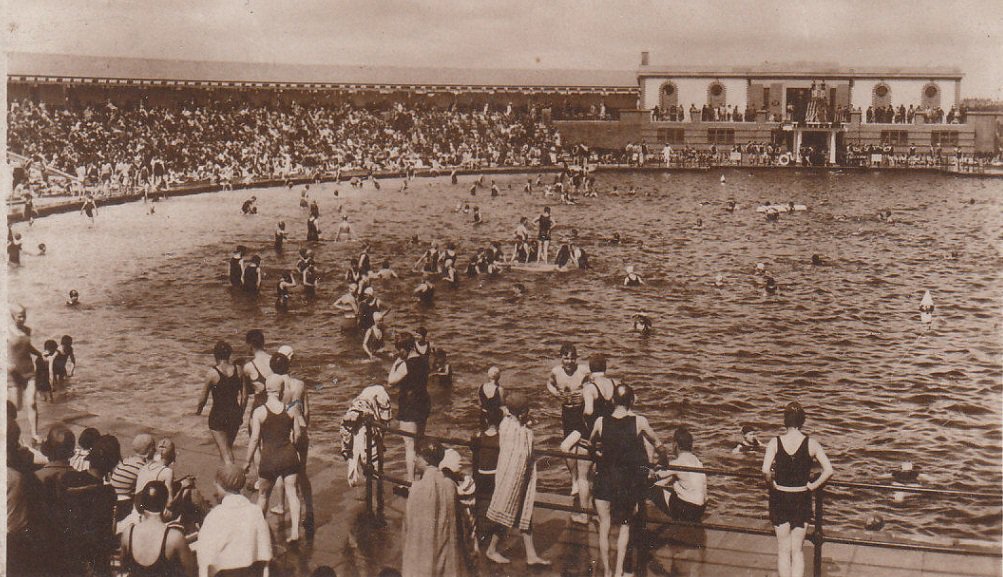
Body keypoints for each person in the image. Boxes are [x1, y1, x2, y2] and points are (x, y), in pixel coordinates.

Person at [590, 384, 661, 577]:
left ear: (613, 401)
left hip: (604, 479)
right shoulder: (639, 421)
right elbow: (657, 442)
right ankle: (620, 571)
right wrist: (658, 462)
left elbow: (592, 443)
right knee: (625, 526)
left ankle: (606, 571)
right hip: (625, 484)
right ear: (632, 401)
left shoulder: (600, 421)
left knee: (604, 526)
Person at [762, 402, 834, 577]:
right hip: (802, 497)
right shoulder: (811, 443)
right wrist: (813, 486)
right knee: (798, 551)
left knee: (783, 551)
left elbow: (765, 470)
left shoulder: (775, 442)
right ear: (802, 421)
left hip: (780, 497)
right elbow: (829, 470)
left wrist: (772, 485)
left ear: (785, 420)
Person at [485, 392, 549, 566]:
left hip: (506, 473)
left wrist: (525, 423)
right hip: (516, 478)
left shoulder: (505, 423)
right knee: (507, 512)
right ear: (521, 413)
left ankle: (531, 554)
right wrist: (528, 427)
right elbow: (524, 455)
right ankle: (491, 550)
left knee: (524, 515)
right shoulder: (522, 433)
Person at [245, 374, 302, 543]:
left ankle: (259, 532)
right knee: (292, 493)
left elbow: (254, 439)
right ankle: (295, 532)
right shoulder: (291, 409)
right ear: (281, 390)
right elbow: (297, 435)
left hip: (269, 458)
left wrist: (247, 462)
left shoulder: (259, 412)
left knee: (263, 497)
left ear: (267, 390)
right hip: (288, 455)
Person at [401, 440, 468, 577]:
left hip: (424, 555)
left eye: (417, 456)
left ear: (425, 461)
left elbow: (409, 526)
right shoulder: (450, 485)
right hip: (446, 554)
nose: (414, 459)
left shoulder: (417, 488)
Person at [197, 463, 273, 577]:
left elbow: (205, 557)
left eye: (217, 483)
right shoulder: (255, 511)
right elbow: (266, 552)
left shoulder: (214, 516)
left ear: (221, 486)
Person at [546, 343, 591, 519]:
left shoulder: (583, 371)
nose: (569, 361)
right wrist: (555, 394)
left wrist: (585, 393)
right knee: (569, 451)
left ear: (576, 358)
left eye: (572, 357)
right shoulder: (556, 372)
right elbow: (549, 384)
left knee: (570, 447)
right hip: (567, 412)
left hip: (582, 413)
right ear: (561, 358)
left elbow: (595, 385)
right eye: (566, 357)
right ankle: (575, 480)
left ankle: (581, 480)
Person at [388, 333, 431, 483]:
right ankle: (421, 477)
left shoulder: (405, 364)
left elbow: (390, 381)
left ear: (404, 349)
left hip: (409, 405)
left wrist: (396, 362)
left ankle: (412, 482)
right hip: (423, 403)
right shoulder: (425, 361)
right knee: (418, 443)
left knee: (409, 446)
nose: (399, 353)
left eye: (399, 350)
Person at [196, 341, 246, 464]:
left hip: (218, 415)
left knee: (225, 452)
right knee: (227, 449)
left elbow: (203, 398)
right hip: (234, 413)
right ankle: (225, 477)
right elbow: (244, 396)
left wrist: (198, 412)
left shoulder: (212, 373)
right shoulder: (239, 370)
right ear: (229, 354)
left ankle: (233, 479)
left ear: (215, 355)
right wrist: (241, 412)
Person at [651, 427, 706, 523]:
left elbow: (653, 477)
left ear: (676, 445)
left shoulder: (678, 463)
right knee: (673, 482)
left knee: (648, 487)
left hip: (688, 510)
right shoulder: (698, 461)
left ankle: (638, 518)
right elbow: (670, 478)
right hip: (701, 510)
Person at [8, 304, 42, 442]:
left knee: (32, 403)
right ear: (13, 316)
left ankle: (34, 433)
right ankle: (11, 435)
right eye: (19, 316)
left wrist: (39, 354)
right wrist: (5, 364)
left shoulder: (27, 330)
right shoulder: (6, 331)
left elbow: (28, 347)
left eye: (24, 316)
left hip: (29, 372)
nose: (22, 319)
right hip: (14, 374)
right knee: (15, 408)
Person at [111, 433, 157, 521]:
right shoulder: (142, 468)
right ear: (149, 451)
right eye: (153, 448)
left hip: (113, 500)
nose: (155, 451)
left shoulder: (126, 461)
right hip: (124, 506)